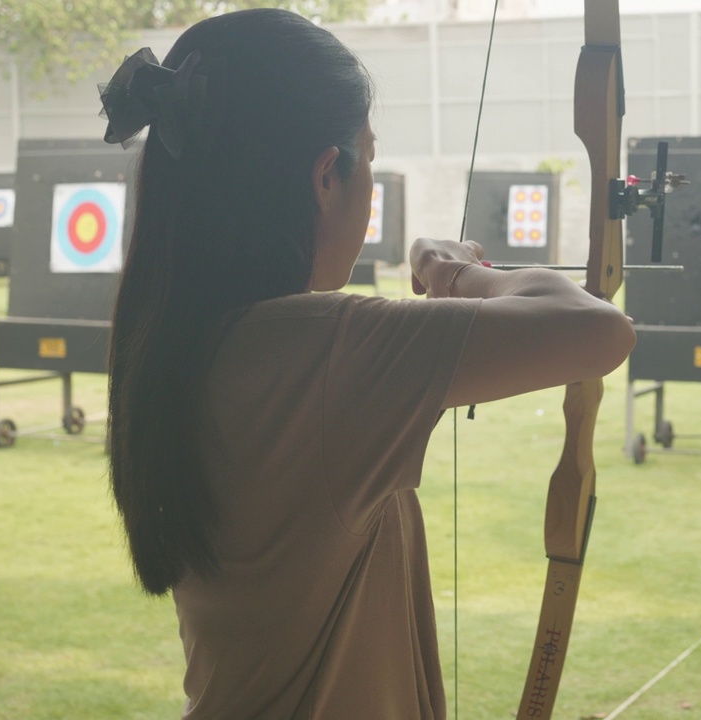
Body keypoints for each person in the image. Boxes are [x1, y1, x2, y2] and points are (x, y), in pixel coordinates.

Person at [100, 8, 634, 719]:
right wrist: (453, 272)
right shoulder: (319, 354)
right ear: (326, 176)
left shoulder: (189, 338)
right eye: (369, 159)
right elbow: (596, 330)